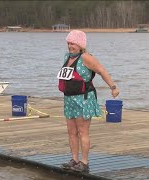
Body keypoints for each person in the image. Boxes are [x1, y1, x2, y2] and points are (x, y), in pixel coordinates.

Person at [57, 30, 120, 173]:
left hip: (83, 99)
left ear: (80, 44)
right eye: (68, 43)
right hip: (69, 99)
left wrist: (113, 87)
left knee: (82, 131)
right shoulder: (67, 57)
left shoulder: (86, 58)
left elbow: (102, 71)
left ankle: (84, 162)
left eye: (73, 43)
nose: (70, 46)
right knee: (71, 131)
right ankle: (74, 160)